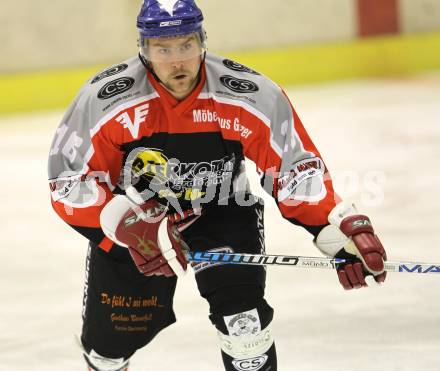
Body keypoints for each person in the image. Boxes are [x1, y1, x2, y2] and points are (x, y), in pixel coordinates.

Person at [47, 1, 387, 370]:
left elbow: (293, 169)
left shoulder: (248, 94)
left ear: (202, 41)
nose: (177, 60)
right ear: (144, 50)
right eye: (163, 48)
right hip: (135, 220)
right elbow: (67, 181)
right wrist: (127, 224)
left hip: (221, 208)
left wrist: (333, 229)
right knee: (109, 346)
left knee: (245, 325)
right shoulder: (106, 100)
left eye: (186, 45)